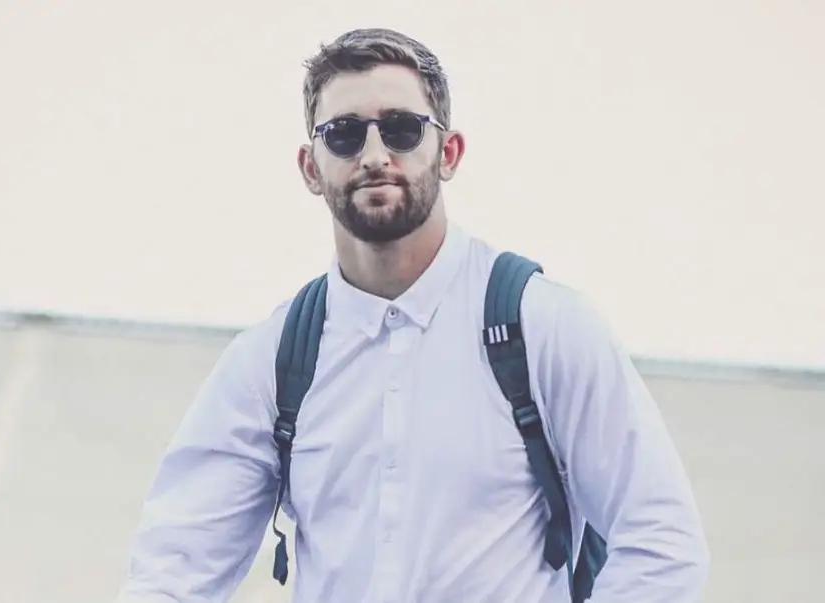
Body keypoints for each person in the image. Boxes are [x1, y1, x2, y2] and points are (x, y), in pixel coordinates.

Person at [115, 27, 709, 603]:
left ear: (448, 152)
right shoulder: (270, 362)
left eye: (402, 129)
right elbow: (173, 571)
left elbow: (662, 541)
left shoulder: (544, 328)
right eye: (344, 135)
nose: (375, 155)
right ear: (310, 167)